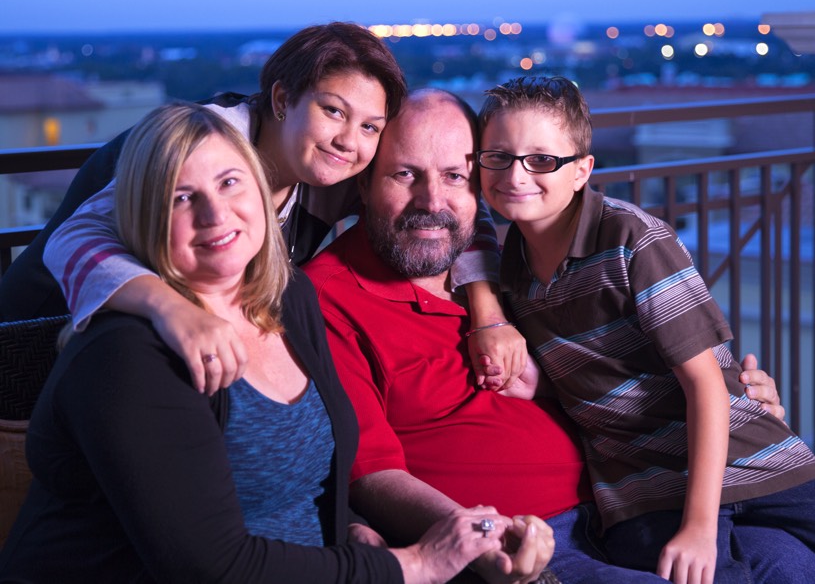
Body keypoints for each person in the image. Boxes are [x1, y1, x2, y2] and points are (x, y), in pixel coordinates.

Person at [0, 102, 537, 584]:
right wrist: (414, 564)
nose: (216, 215)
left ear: (262, 189)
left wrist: (352, 530)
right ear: (142, 218)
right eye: (182, 197)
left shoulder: (287, 298)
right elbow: (210, 566)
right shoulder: (127, 357)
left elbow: (309, 475)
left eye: (231, 183)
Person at [303, 89, 786, 583]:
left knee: (792, 566)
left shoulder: (515, 266)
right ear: (363, 185)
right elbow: (372, 476)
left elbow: (615, 366)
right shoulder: (328, 299)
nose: (432, 202)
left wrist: (735, 396)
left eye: (456, 176)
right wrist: (481, 535)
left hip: (636, 497)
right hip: (527, 538)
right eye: (405, 174)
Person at [0, 22, 524, 398]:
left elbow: (449, 209)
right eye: (333, 111)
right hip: (38, 343)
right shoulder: (197, 145)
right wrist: (173, 310)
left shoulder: (330, 172)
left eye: (369, 127)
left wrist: (487, 314)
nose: (349, 140)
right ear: (281, 100)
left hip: (162, 368)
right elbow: (74, 240)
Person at [476, 75, 815, 584]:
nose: (516, 174)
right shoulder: (512, 271)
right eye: (498, 156)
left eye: (541, 160)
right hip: (640, 490)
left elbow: (705, 385)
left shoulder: (632, 238)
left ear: (582, 171)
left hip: (751, 459)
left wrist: (700, 526)